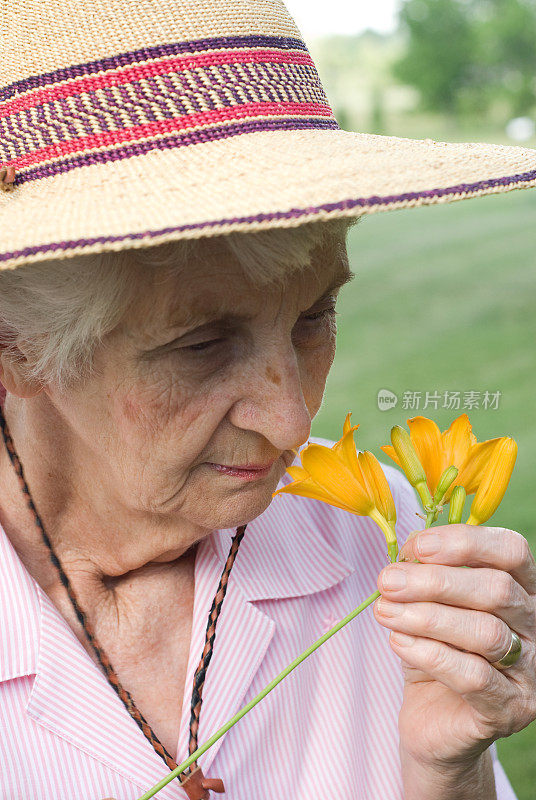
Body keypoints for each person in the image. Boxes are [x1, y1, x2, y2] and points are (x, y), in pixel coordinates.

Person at [0, 2, 535, 799]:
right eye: (200, 345)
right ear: (19, 348)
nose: (292, 424)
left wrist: (446, 771)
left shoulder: (376, 533)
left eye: (315, 316)